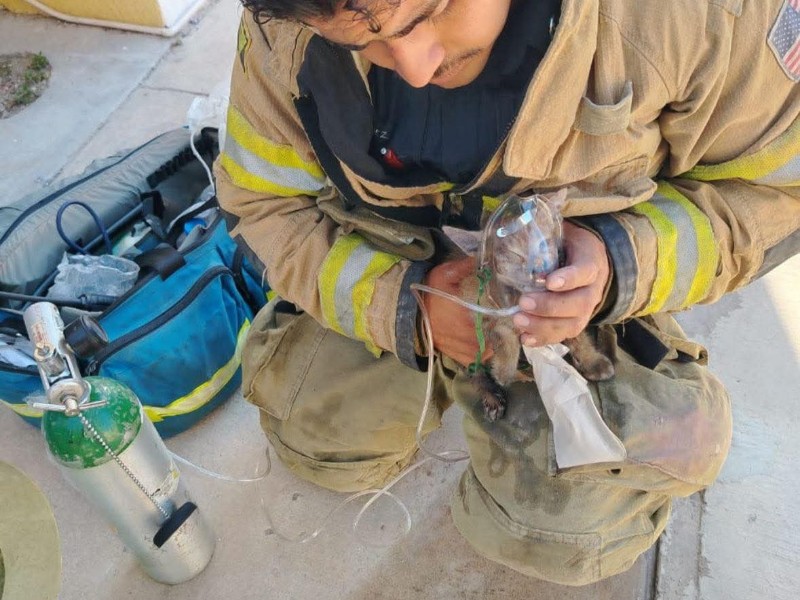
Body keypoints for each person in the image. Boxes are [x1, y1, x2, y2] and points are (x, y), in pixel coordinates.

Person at [215, 0, 800, 585]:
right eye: (361, 42)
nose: (415, 69)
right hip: (394, 262)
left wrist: (620, 261)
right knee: (318, 437)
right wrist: (399, 303)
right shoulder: (286, 22)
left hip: (571, 309)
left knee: (565, 532)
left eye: (429, 13)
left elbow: (773, 194)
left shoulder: (701, 17)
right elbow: (264, 204)